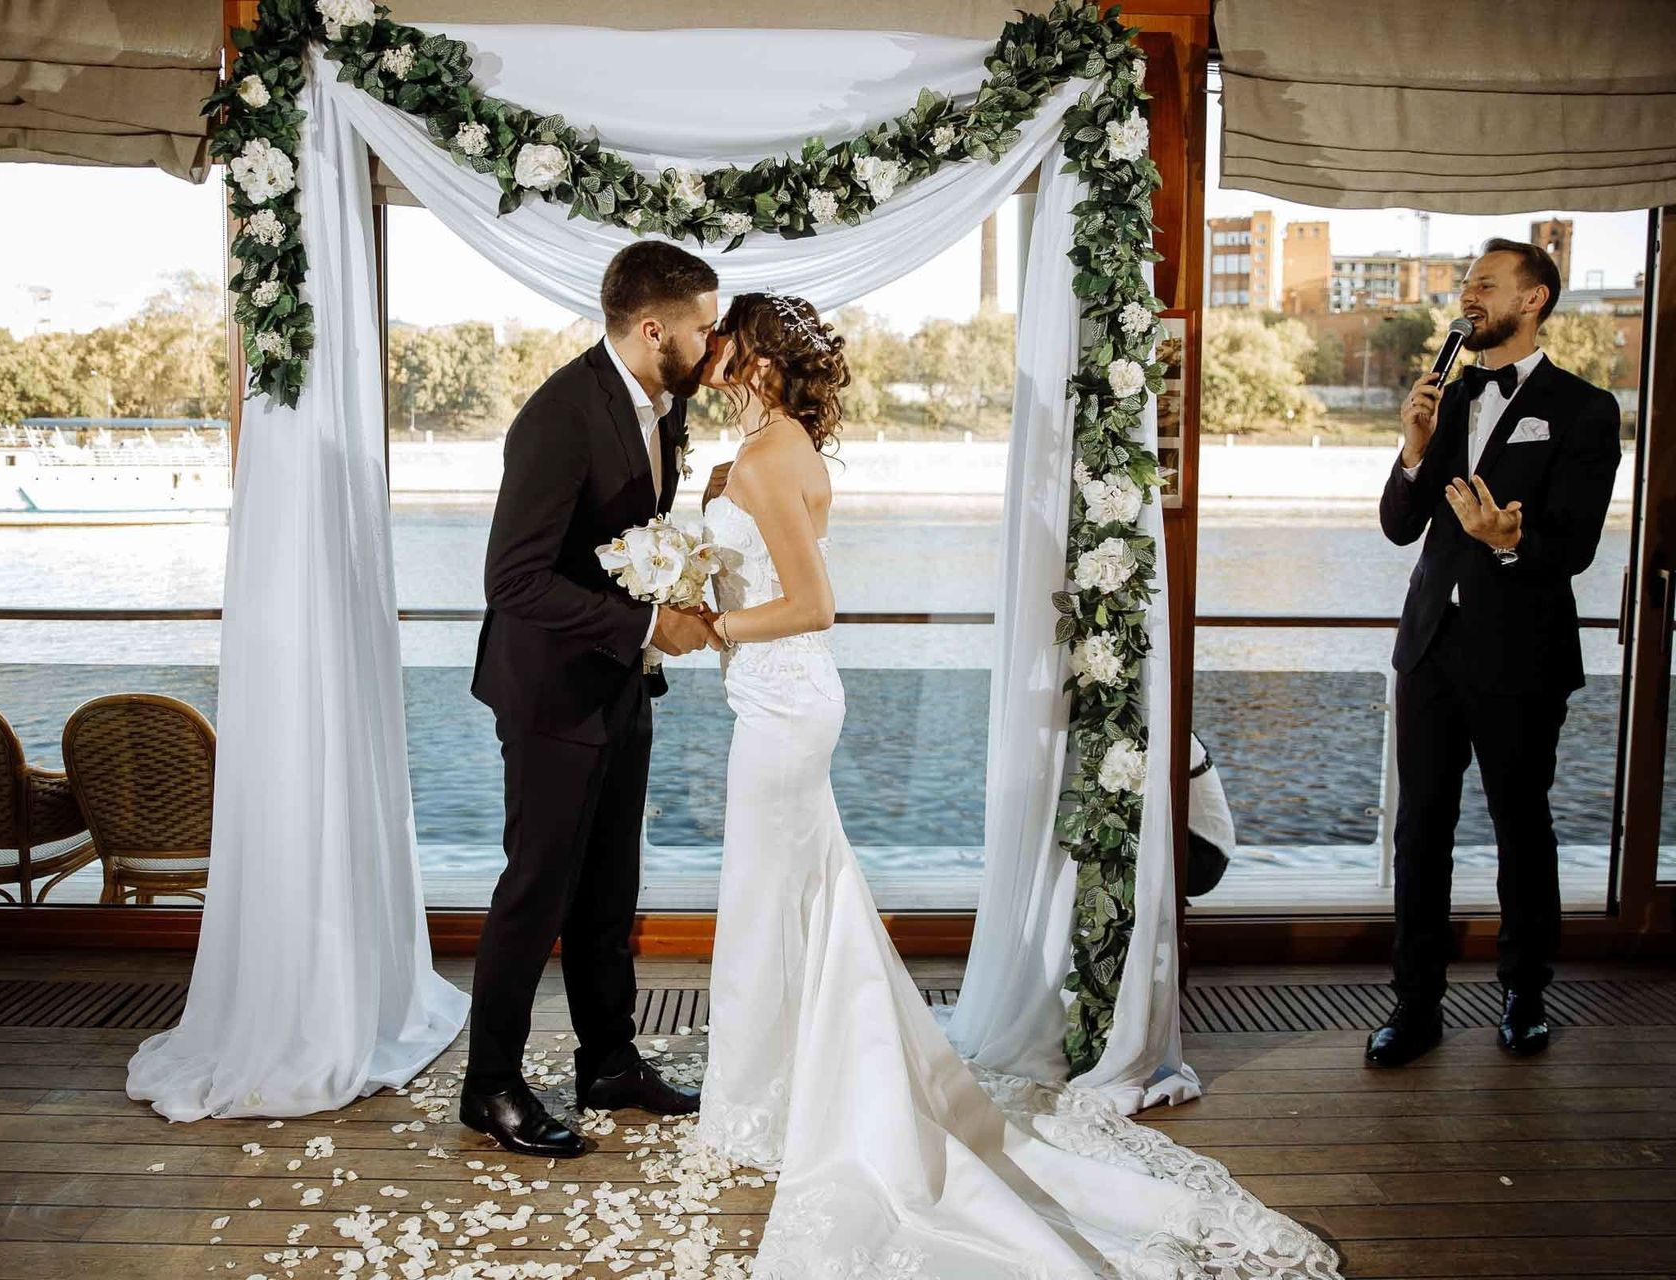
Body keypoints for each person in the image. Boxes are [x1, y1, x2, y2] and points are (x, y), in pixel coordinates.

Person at [693, 292, 1341, 1277]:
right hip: (786, 705)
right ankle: (788, 1082)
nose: (709, 352)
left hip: (782, 707)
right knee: (801, 899)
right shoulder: (778, 448)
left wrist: (714, 628)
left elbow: (814, 602)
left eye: (723, 338)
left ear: (758, 356)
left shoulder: (763, 456)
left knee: (765, 899)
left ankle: (767, 1103)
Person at [459, 241, 718, 1156]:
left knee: (611, 888)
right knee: (536, 891)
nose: (712, 340)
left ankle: (608, 1061)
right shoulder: (559, 414)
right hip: (549, 693)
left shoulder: (664, 406)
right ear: (655, 331)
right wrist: (647, 629)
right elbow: (513, 581)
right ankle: (489, 1085)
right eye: (701, 326)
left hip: (617, 685)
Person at [1368, 238, 1622, 1068]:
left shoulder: (1585, 408)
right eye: (1464, 283)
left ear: (1535, 298)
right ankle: (1416, 1006)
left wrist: (1510, 542)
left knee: (1522, 827)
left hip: (1521, 654)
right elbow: (1402, 526)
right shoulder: (1446, 393)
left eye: (1485, 284)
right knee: (1419, 832)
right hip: (1431, 649)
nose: (1467, 296)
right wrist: (1412, 450)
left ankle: (1523, 996)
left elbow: (1575, 546)